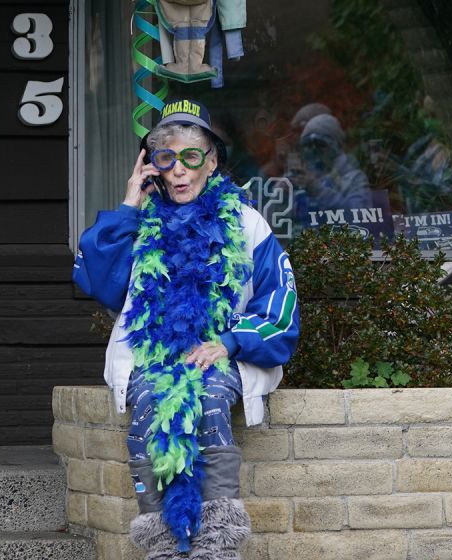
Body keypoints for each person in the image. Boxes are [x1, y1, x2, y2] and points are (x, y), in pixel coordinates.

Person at [73, 100, 299, 559]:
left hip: (222, 352)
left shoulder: (246, 222)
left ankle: (216, 546)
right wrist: (129, 203)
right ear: (151, 165)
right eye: (165, 158)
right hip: (151, 355)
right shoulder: (138, 226)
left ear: (211, 163)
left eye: (191, 157)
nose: (178, 170)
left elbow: (281, 305)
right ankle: (164, 547)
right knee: (151, 404)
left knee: (211, 395)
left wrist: (231, 343)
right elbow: (96, 280)